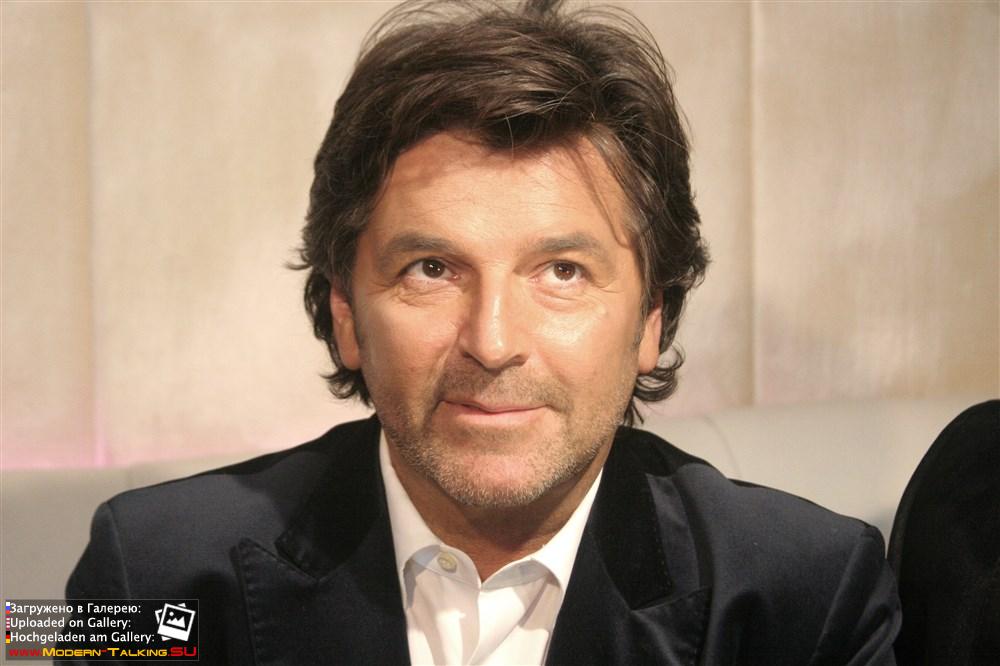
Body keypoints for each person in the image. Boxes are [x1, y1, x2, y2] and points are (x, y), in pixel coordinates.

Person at [66, 1, 901, 663]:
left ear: (653, 318)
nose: (493, 341)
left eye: (562, 272)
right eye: (431, 268)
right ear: (345, 313)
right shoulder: (143, 570)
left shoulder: (813, 593)